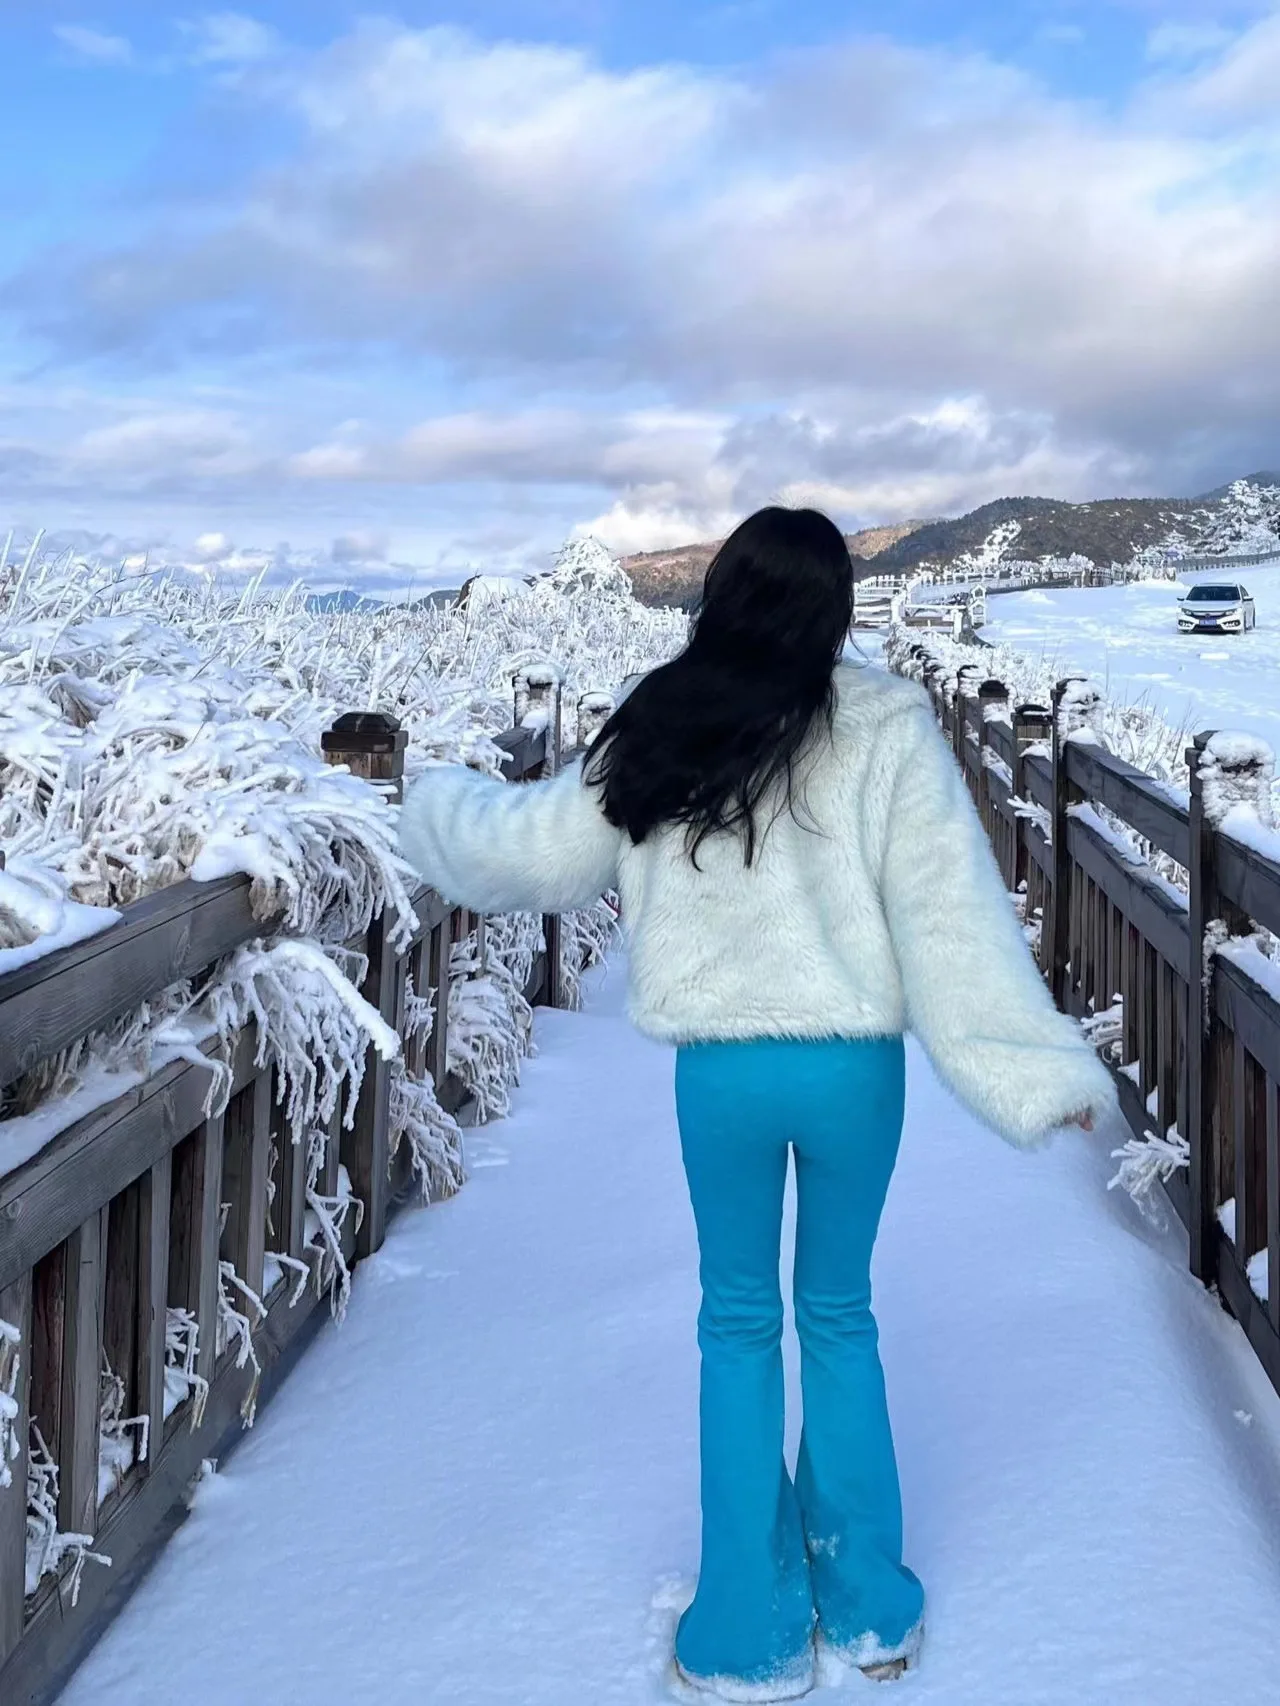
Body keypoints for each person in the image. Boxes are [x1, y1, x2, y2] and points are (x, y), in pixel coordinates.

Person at [397, 507, 1115, 1703]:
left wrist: (427, 802)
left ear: (718, 594)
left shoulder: (664, 715)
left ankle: (746, 1629)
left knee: (736, 1322)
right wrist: (1031, 1070)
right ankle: (870, 1606)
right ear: (835, 608)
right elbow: (949, 916)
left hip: (719, 1074)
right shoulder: (884, 722)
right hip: (849, 1070)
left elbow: (532, 852)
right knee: (837, 1313)